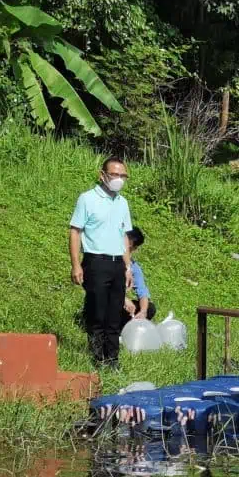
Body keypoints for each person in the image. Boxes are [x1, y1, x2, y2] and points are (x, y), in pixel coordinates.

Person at [70, 157, 133, 369]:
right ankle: (97, 359)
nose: (118, 179)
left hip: (117, 263)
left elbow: (124, 235)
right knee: (97, 311)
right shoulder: (87, 199)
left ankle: (113, 360)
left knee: (115, 314)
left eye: (122, 175)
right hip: (96, 261)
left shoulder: (122, 202)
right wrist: (76, 264)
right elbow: (75, 231)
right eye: (114, 174)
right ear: (102, 175)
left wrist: (128, 266)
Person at [121, 226, 156, 327]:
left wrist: (143, 311)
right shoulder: (109, 260)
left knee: (150, 308)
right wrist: (123, 299)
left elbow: (142, 291)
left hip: (121, 305)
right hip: (107, 302)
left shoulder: (134, 267)